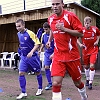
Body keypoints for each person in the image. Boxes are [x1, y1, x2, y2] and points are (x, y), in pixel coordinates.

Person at [46, 0, 88, 100]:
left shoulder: (70, 16)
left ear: (62, 5)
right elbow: (52, 30)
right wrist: (49, 40)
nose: (55, 6)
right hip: (58, 56)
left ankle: (84, 97)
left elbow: (81, 33)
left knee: (77, 83)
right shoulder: (50, 19)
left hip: (72, 56)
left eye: (57, 4)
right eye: (53, 4)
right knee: (56, 83)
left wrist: (64, 29)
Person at [15, 19, 43, 100]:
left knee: (37, 72)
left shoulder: (30, 33)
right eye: (17, 26)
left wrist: (31, 52)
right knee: (21, 73)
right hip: (24, 57)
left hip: (33, 57)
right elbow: (22, 43)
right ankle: (23, 92)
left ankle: (40, 88)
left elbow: (37, 43)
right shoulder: (18, 34)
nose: (18, 28)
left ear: (23, 25)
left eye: (19, 26)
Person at [77, 16, 100, 90]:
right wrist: (80, 44)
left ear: (90, 23)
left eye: (88, 23)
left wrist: (97, 41)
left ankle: (90, 82)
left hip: (93, 50)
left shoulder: (95, 29)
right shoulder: (82, 30)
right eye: (85, 23)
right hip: (85, 50)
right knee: (86, 66)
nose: (86, 24)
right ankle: (87, 79)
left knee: (92, 66)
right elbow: (76, 38)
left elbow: (98, 35)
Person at [39, 22, 54, 90]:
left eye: (46, 29)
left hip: (54, 53)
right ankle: (50, 83)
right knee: (46, 67)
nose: (45, 31)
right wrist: (40, 49)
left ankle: (57, 82)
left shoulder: (54, 35)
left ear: (50, 28)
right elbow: (43, 43)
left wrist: (54, 54)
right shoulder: (43, 35)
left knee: (55, 69)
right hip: (47, 53)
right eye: (44, 29)